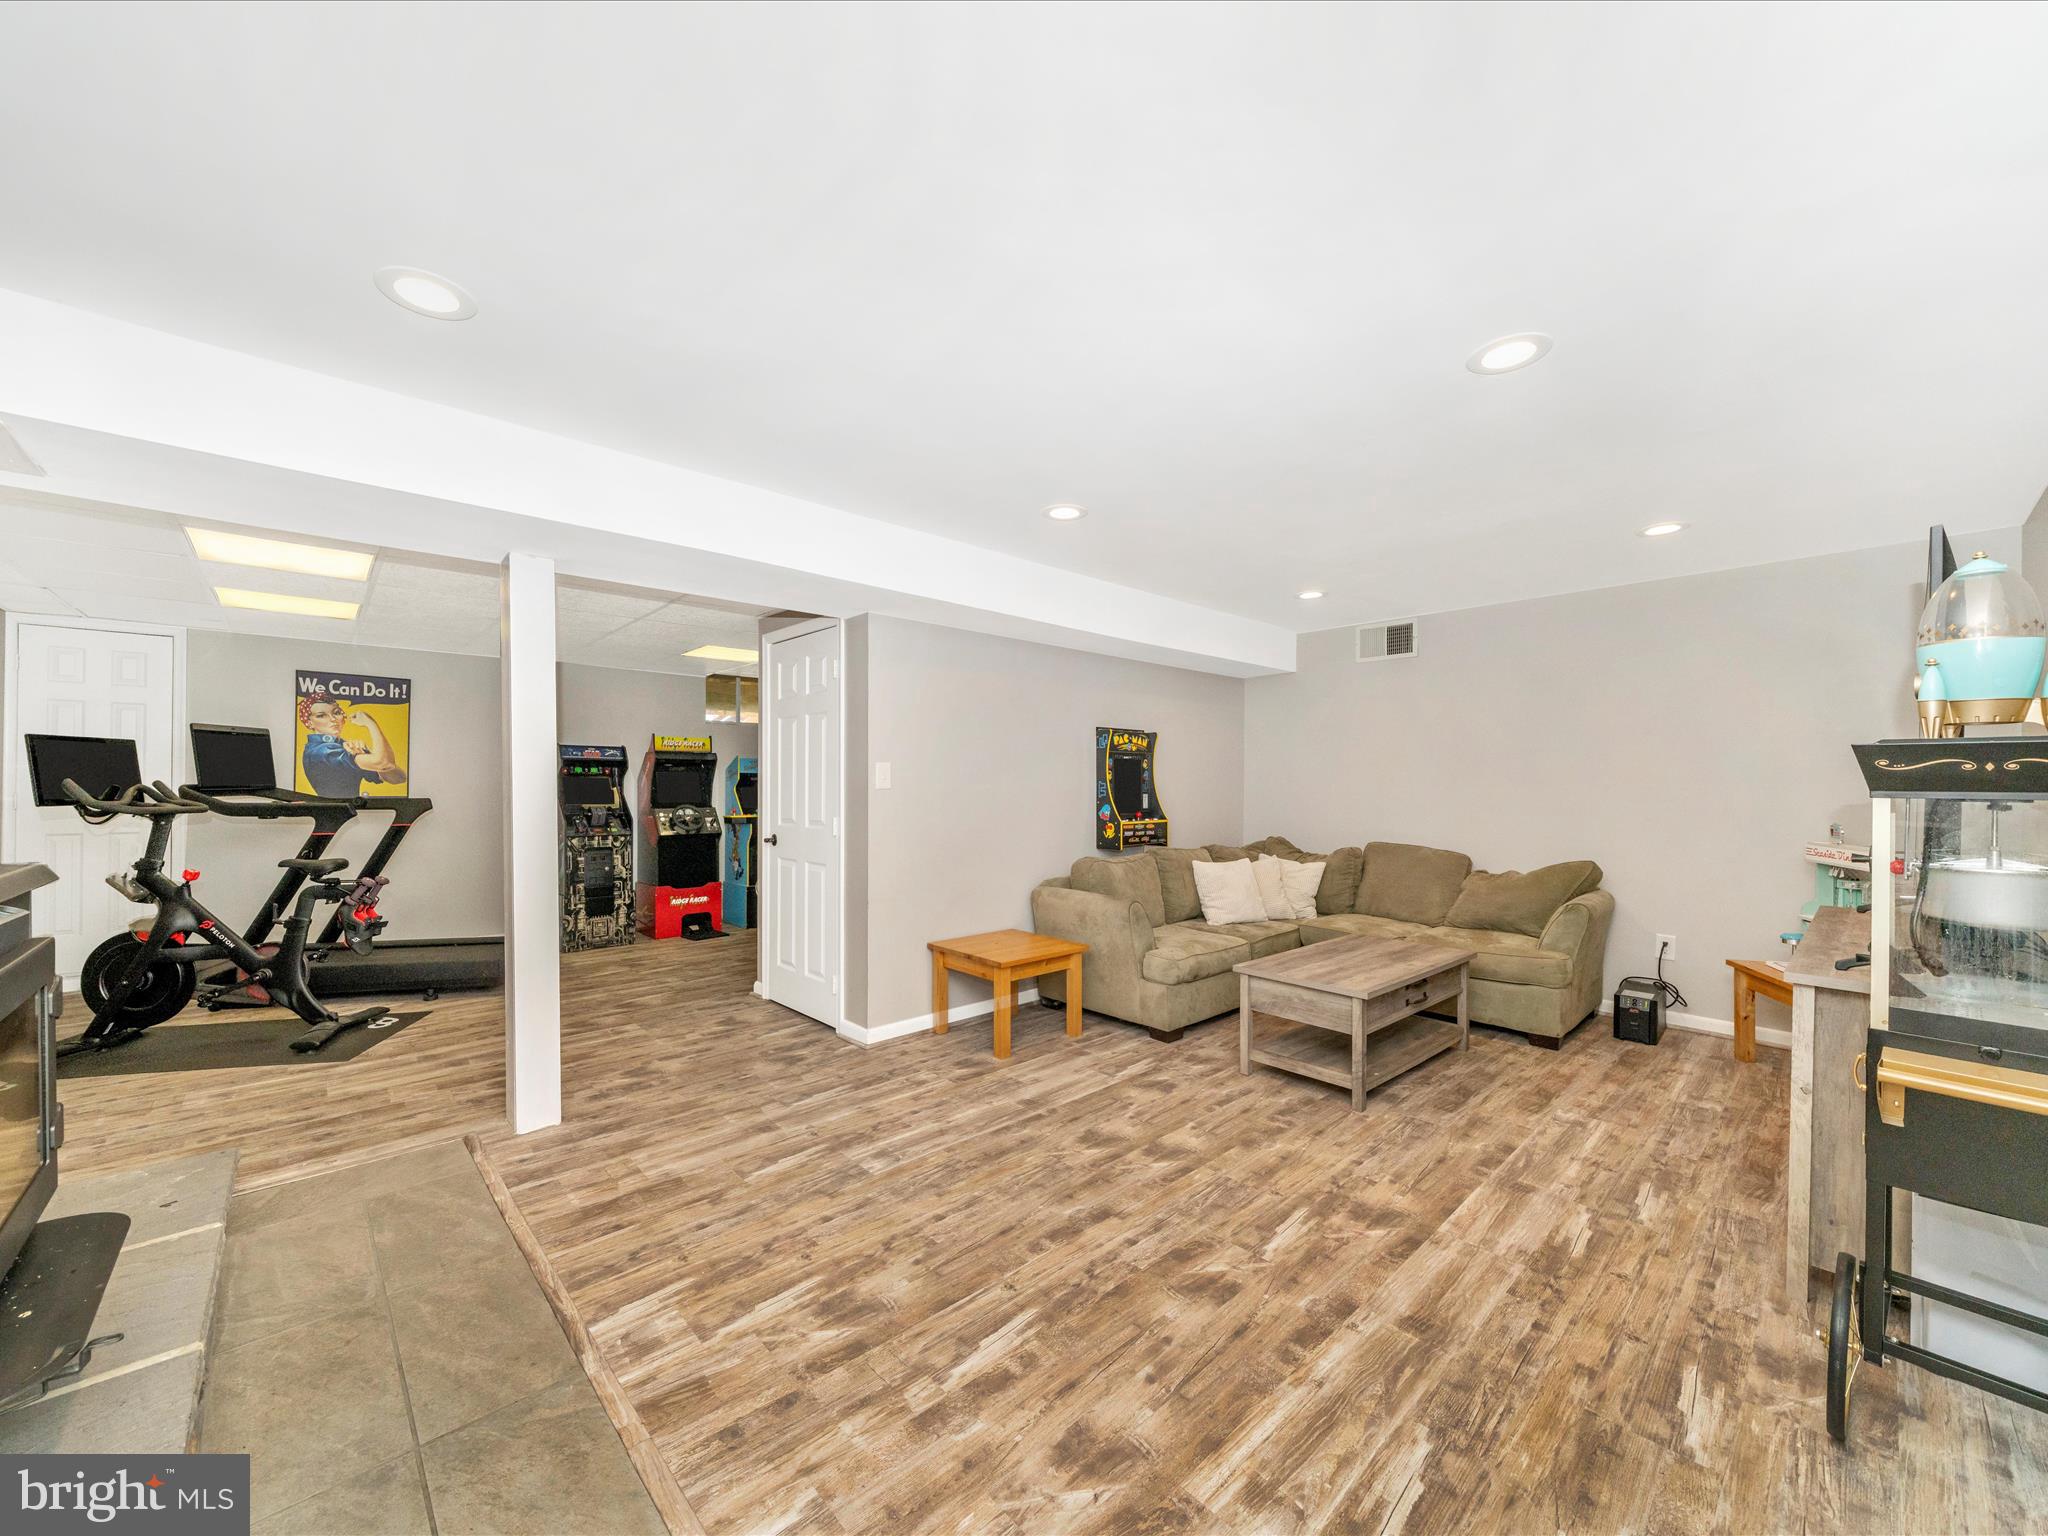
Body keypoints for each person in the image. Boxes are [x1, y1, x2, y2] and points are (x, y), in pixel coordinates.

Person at [298, 689, 406, 798]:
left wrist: (365, 753)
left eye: (336, 713)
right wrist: (371, 723)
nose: (333, 719)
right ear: (309, 722)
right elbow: (385, 763)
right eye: (321, 715)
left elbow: (398, 778)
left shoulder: (342, 746)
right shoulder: (321, 751)